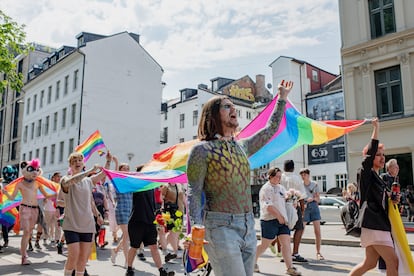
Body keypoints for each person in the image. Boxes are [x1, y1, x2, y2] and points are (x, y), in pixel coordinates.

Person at [187, 80, 293, 276]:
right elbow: (193, 191)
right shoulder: (201, 150)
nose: (233, 109)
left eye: (234, 106)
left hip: (248, 226)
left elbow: (270, 129)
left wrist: (282, 99)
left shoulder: (242, 146)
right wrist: (196, 227)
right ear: (213, 115)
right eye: (227, 106)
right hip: (219, 227)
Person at [349, 118, 399, 276]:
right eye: (378, 155)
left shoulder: (379, 179)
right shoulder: (365, 173)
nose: (382, 158)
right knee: (393, 262)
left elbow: (384, 200)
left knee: (369, 264)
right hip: (374, 224)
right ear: (370, 157)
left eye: (383, 155)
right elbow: (369, 155)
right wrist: (376, 128)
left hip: (377, 224)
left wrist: (393, 199)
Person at [60, 151, 112, 276]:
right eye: (74, 161)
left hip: (87, 224)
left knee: (83, 258)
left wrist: (109, 161)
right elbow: (71, 182)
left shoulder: (88, 181)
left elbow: (103, 174)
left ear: (83, 163)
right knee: (73, 256)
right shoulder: (65, 179)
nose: (77, 163)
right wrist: (89, 171)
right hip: (71, 224)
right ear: (70, 166)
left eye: (79, 160)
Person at [1, 159, 55, 265]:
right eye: (32, 169)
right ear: (25, 169)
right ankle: (24, 256)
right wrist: (6, 193)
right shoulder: (20, 183)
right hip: (24, 209)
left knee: (29, 232)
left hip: (35, 210)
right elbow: (12, 198)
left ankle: (24, 252)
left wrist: (56, 194)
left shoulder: (38, 183)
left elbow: (47, 195)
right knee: (26, 232)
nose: (34, 172)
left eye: (36, 169)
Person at [125, 165, 174, 276]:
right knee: (134, 246)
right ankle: (129, 268)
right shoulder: (136, 185)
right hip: (136, 220)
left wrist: (158, 218)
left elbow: (154, 204)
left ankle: (161, 270)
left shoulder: (151, 186)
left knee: (154, 247)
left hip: (149, 221)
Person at [254, 167, 301, 275]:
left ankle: (290, 268)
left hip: (283, 221)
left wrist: (292, 202)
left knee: (286, 243)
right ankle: (252, 261)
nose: (278, 178)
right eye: (276, 176)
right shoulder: (266, 189)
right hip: (269, 220)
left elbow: (285, 201)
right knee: (265, 245)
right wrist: (278, 216)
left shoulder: (281, 188)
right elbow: (268, 206)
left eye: (280, 177)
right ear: (270, 176)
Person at [280, 160, 307, 263]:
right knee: (299, 228)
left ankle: (284, 253)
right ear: (293, 168)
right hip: (294, 206)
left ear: (284, 167)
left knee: (283, 230)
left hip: (282, 206)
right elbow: (301, 196)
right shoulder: (297, 178)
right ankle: (295, 253)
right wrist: (303, 210)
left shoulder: (280, 177)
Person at [299, 168, 324, 261]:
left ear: (308, 175)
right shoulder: (300, 185)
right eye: (301, 174)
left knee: (317, 231)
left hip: (313, 206)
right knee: (300, 230)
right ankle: (295, 251)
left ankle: (318, 252)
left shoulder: (314, 184)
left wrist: (312, 199)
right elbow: (298, 197)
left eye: (304, 174)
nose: (303, 176)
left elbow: (318, 199)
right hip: (304, 207)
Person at [158, 182, 185, 262]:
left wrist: (187, 208)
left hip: (179, 212)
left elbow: (183, 198)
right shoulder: (166, 186)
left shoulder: (179, 185)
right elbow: (161, 198)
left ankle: (164, 246)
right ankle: (175, 252)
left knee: (177, 232)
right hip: (170, 212)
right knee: (173, 232)